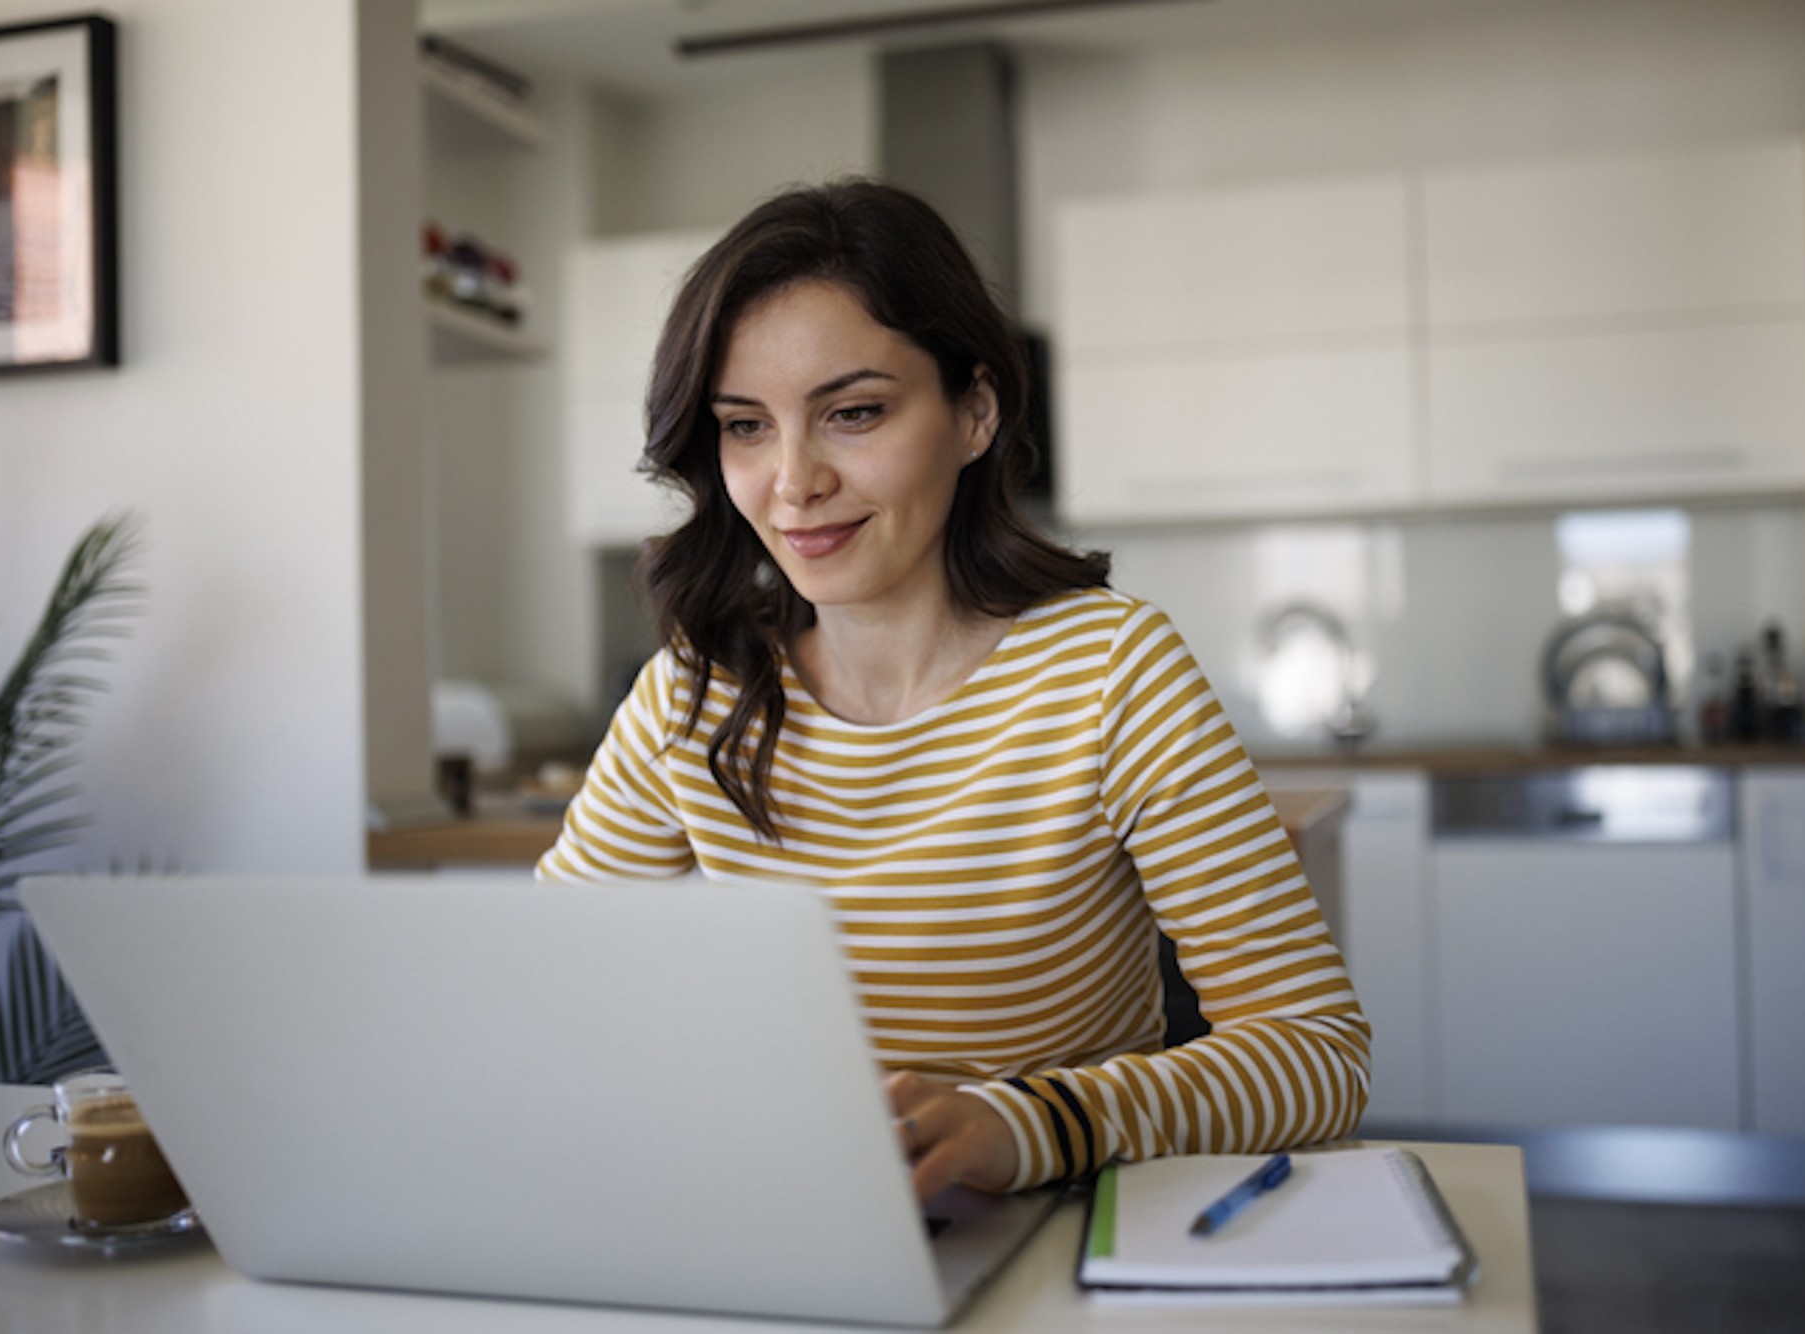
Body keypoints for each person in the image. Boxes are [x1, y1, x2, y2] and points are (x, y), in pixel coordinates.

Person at [538, 179, 1369, 1204]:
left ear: (972, 411)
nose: (793, 481)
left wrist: (1024, 1122)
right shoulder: (690, 696)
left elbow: (1316, 1050)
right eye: (745, 426)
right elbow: (547, 1003)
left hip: (1051, 1238)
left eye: (852, 413)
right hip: (789, 1229)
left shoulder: (1110, 670)